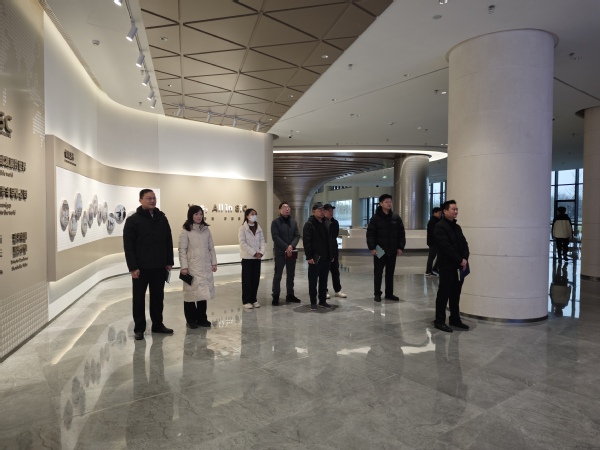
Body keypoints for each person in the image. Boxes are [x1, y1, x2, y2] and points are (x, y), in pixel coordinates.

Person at [123, 189, 174, 340]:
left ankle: (157, 324)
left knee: (158, 297)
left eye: (154, 198)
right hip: (141, 268)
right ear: (140, 200)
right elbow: (128, 246)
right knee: (139, 298)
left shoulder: (162, 218)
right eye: (148, 198)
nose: (152, 201)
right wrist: (133, 267)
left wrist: (169, 261)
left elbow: (168, 240)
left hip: (159, 266)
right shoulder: (133, 220)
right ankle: (139, 328)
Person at [433, 199, 470, 332]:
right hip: (447, 266)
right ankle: (439, 321)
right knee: (444, 293)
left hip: (459, 267)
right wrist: (460, 260)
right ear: (445, 211)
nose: (456, 211)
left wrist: (465, 258)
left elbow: (464, 244)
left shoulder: (457, 227)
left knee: (455, 294)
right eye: (453, 209)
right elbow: (446, 247)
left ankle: (455, 319)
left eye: (456, 209)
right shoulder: (440, 227)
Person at [178, 205, 217, 329]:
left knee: (202, 293)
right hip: (192, 267)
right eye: (196, 214)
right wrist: (184, 266)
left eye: (201, 214)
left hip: (205, 266)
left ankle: (202, 318)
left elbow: (211, 248)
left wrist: (214, 262)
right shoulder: (186, 230)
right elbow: (182, 250)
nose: (199, 216)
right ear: (191, 215)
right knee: (190, 294)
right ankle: (191, 320)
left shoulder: (206, 230)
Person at [366, 194, 406, 302]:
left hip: (392, 249)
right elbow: (370, 234)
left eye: (390, 202)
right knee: (378, 273)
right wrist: (372, 247)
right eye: (386, 202)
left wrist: (400, 247)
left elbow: (401, 234)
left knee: (390, 273)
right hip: (379, 249)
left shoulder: (396, 218)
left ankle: (389, 293)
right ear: (381, 203)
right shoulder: (375, 218)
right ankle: (377, 293)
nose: (389, 204)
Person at [303, 203, 335, 311]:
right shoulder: (309, 224)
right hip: (315, 257)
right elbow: (307, 242)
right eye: (319, 210)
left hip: (326, 256)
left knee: (324, 279)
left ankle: (322, 301)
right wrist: (309, 257)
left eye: (323, 210)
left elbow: (330, 240)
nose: (322, 212)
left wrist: (331, 254)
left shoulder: (326, 223)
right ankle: (313, 302)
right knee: (313, 280)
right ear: (313, 211)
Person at [271, 202, 301, 305]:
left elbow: (297, 236)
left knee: (291, 275)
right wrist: (286, 247)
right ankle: (275, 296)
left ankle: (290, 295)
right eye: (284, 207)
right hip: (280, 253)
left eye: (288, 207)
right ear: (280, 210)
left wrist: (291, 246)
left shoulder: (293, 222)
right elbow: (275, 237)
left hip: (291, 252)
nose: (287, 209)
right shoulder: (275, 222)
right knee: (278, 275)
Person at [238, 208, 266, 309]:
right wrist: (254, 253)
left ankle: (254, 299)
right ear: (247, 216)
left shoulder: (259, 228)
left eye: (255, 214)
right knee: (247, 280)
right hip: (247, 258)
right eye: (252, 214)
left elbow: (262, 241)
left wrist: (261, 252)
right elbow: (242, 243)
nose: (254, 216)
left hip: (257, 258)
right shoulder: (242, 228)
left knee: (255, 279)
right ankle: (246, 300)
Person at [323, 204, 347, 298]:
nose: (331, 212)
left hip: (334, 250)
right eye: (329, 210)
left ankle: (337, 290)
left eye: (332, 210)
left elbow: (335, 236)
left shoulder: (335, 222)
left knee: (335, 271)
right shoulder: (321, 222)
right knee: (324, 273)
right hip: (325, 251)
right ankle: (323, 291)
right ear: (324, 211)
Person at [426, 207, 442, 276]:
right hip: (433, 242)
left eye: (441, 213)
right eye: (439, 213)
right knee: (432, 256)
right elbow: (433, 233)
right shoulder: (433, 221)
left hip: (436, 241)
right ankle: (428, 271)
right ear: (434, 213)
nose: (440, 214)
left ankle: (435, 268)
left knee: (439, 255)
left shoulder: (437, 221)